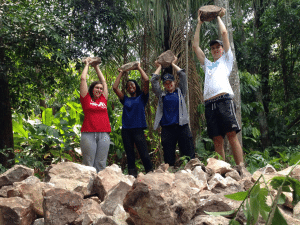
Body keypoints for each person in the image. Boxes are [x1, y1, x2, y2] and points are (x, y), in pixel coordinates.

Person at [192, 10, 244, 166]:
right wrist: (199, 24)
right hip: (209, 104)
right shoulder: (207, 64)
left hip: (224, 100)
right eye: (213, 48)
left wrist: (218, 17)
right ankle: (222, 171)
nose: (215, 49)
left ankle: (241, 168)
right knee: (217, 138)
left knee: (231, 134)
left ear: (222, 49)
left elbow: (224, 33)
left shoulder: (227, 60)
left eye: (218, 47)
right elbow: (195, 46)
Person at [151, 57, 195, 167]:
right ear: (164, 85)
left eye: (170, 82)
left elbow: (183, 75)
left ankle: (192, 173)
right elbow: (153, 80)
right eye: (165, 83)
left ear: (174, 82)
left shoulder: (181, 92)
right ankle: (169, 176)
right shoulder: (162, 95)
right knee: (168, 157)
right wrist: (160, 66)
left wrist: (172, 63)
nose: (168, 84)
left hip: (182, 126)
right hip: (167, 129)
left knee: (189, 154)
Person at [112, 64, 153, 177]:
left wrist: (139, 67)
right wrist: (121, 71)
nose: (130, 86)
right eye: (128, 85)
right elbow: (115, 88)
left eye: (132, 84)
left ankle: (150, 174)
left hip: (138, 129)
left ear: (136, 86)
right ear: (127, 89)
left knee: (144, 153)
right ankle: (132, 177)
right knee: (130, 155)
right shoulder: (125, 99)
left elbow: (146, 80)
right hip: (126, 130)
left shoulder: (142, 97)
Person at [80, 57, 111, 172]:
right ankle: (88, 188)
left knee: (101, 163)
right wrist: (87, 64)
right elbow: (83, 79)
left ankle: (99, 188)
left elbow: (104, 82)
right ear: (92, 89)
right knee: (89, 163)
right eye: (97, 88)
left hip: (104, 134)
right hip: (89, 133)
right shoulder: (86, 99)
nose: (99, 90)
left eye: (101, 89)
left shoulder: (103, 99)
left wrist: (96, 66)